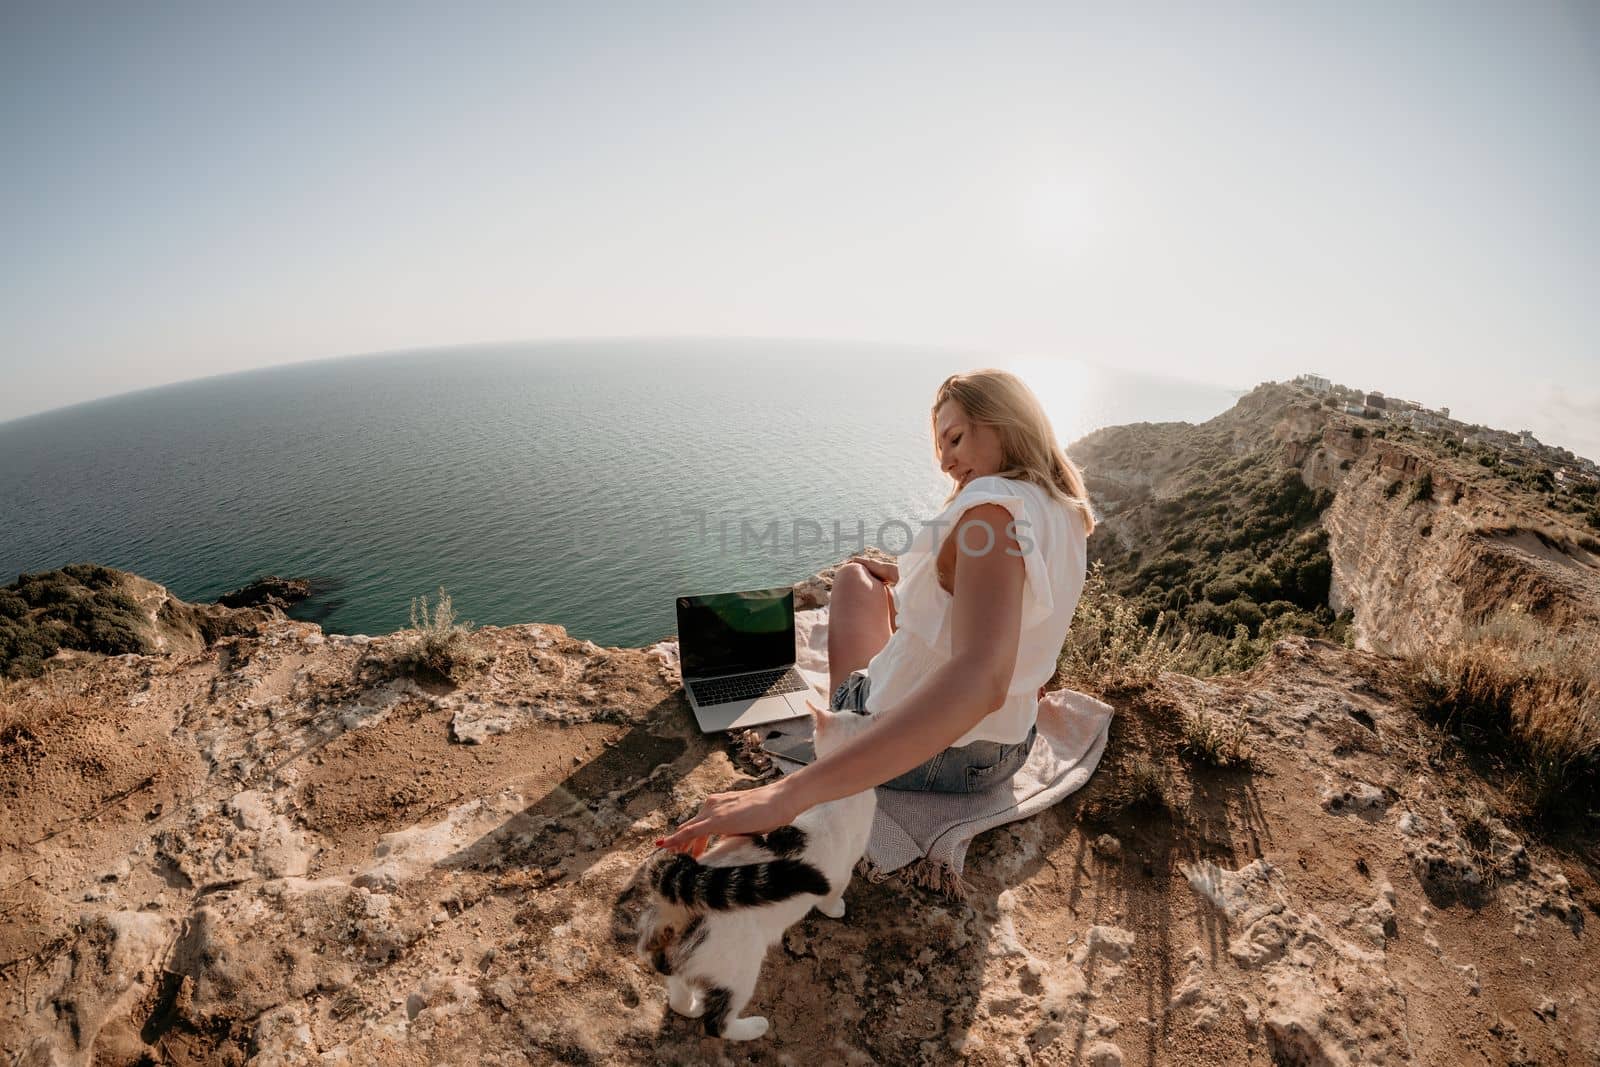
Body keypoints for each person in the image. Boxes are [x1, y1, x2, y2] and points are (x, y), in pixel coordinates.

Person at [658, 369, 1094, 856]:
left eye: (956, 438)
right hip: (1008, 750)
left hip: (932, 753)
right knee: (879, 586)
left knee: (852, 580)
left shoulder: (989, 510)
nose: (947, 463)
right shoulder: (1064, 510)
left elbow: (982, 680)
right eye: (941, 450)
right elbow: (1007, 605)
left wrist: (785, 796)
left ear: (1006, 421)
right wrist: (919, 575)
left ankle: (853, 709)